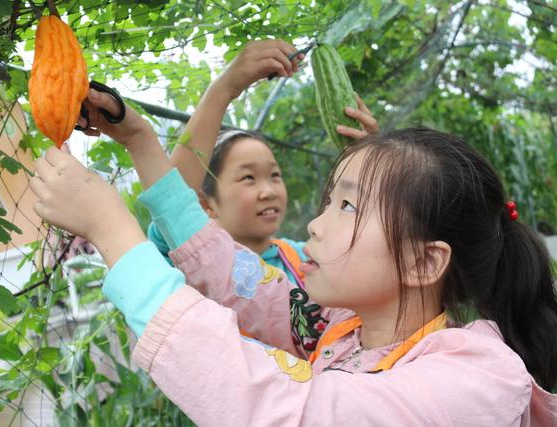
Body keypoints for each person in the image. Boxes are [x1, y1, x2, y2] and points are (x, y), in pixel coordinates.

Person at [31, 100, 557, 424]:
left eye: (347, 205)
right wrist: (141, 140)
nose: (313, 224)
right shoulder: (341, 330)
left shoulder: (474, 384)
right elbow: (231, 271)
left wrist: (111, 230)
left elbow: (279, 411)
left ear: (423, 263)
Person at [76, 39, 379, 351]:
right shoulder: (186, 257)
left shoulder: (306, 258)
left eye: (275, 175)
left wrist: (371, 165)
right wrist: (223, 89)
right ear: (205, 204)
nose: (268, 190)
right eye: (248, 178)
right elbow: (174, 201)